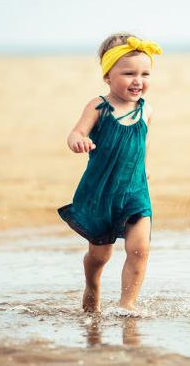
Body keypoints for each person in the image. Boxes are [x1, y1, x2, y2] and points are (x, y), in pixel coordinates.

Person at [58, 33, 162, 315]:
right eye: (128, 73)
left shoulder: (146, 110)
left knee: (140, 250)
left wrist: (145, 165)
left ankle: (127, 305)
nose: (138, 80)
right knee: (100, 254)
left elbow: (145, 140)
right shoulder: (98, 106)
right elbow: (77, 131)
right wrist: (78, 141)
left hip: (135, 190)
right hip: (101, 192)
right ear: (107, 76)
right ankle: (92, 283)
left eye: (145, 73)